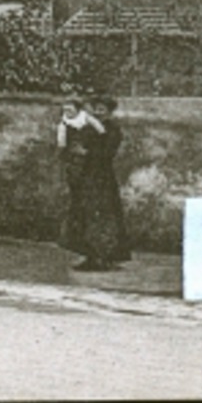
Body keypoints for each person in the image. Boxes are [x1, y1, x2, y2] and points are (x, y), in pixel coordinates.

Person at [58, 93, 131, 271]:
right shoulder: (88, 127)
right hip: (86, 177)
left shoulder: (113, 130)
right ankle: (91, 256)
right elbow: (74, 142)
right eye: (96, 108)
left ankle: (105, 257)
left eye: (102, 109)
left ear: (109, 111)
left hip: (103, 177)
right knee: (86, 215)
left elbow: (107, 153)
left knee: (103, 217)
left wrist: (87, 153)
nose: (98, 112)